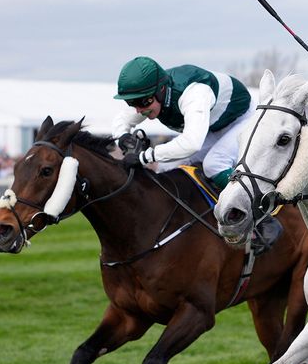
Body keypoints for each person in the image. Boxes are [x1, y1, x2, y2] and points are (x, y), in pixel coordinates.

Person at [111, 56, 282, 252]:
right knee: (166, 167)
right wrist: (123, 137)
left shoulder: (194, 94)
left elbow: (191, 143)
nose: (139, 109)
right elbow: (121, 121)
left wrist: (145, 156)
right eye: (132, 103)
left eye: (143, 101)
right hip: (214, 126)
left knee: (214, 164)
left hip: (243, 120)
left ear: (161, 90)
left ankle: (263, 218)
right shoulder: (152, 97)